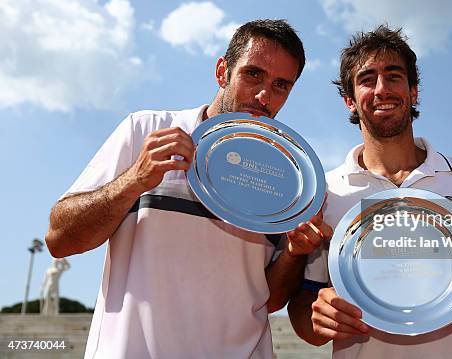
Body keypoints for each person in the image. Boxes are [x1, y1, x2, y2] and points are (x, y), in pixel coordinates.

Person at [45, 19, 331, 359]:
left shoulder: (289, 178)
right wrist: (135, 179)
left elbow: (268, 299)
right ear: (222, 71)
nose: (264, 95)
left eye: (281, 85)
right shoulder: (146, 130)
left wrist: (296, 253)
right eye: (253, 74)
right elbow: (60, 239)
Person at [287, 26, 452, 358]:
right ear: (350, 102)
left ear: (413, 92)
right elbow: (306, 310)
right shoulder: (326, 192)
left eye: (394, 76)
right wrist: (318, 318)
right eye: (367, 79)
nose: (382, 89)